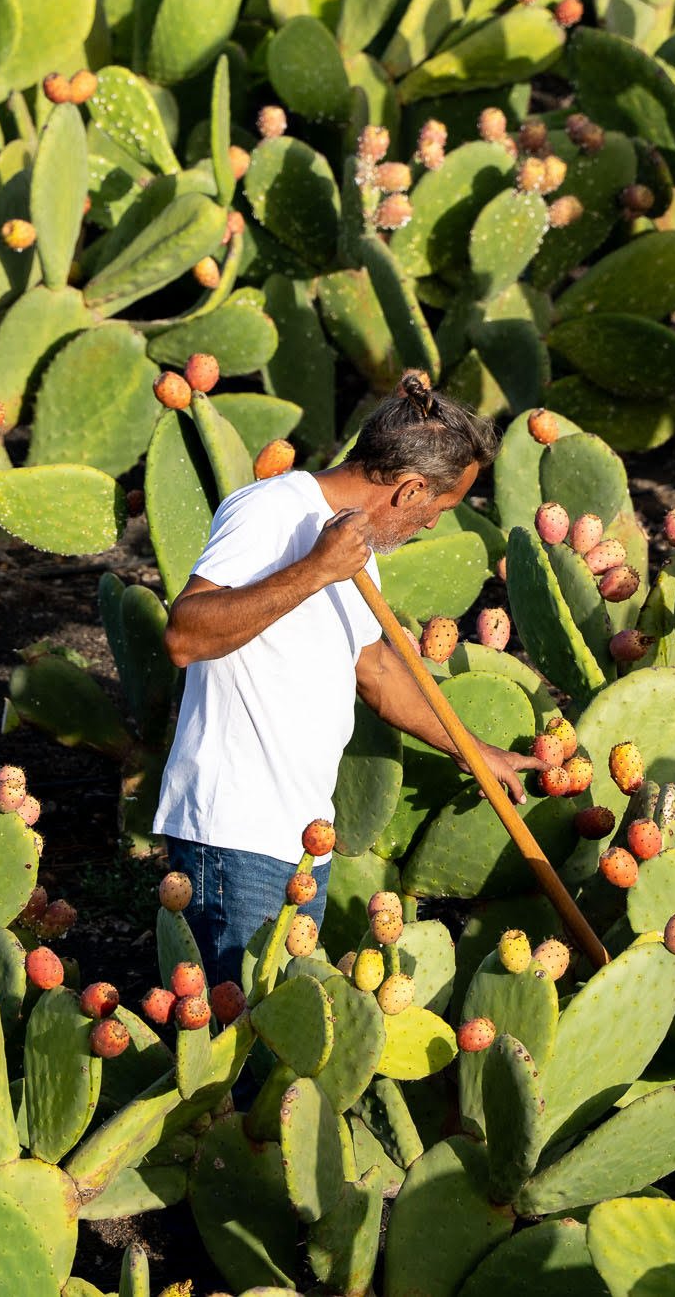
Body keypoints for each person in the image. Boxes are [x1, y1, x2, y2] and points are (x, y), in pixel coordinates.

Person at [156, 371, 535, 982]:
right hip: (234, 832)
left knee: (280, 1021)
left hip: (303, 836)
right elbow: (184, 636)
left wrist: (472, 749)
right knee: (238, 1028)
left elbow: (376, 669)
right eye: (440, 509)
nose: (432, 525)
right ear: (411, 489)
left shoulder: (354, 547)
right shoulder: (272, 511)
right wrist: (317, 569)